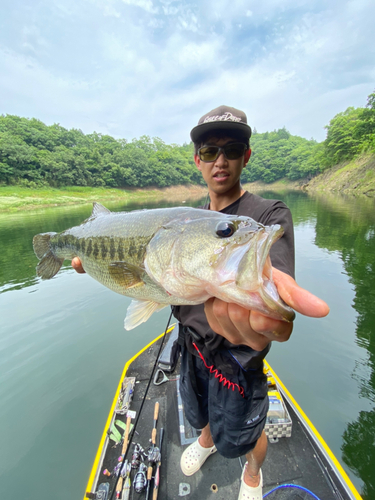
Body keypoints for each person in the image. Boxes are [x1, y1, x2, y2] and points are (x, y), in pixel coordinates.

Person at [72, 105, 329, 500]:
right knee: (198, 411)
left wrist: (267, 313)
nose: (220, 160)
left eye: (232, 149)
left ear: (247, 155)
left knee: (245, 432)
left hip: (239, 355)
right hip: (190, 343)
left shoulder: (267, 215)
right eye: (210, 151)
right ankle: (205, 440)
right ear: (198, 160)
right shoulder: (190, 218)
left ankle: (253, 473)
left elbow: (277, 281)